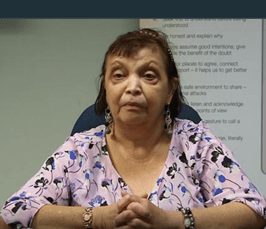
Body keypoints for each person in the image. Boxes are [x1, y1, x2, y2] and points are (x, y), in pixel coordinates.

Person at [1, 28, 266, 229]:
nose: (132, 87)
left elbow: (253, 211)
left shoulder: (196, 142)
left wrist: (169, 221)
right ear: (106, 86)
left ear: (170, 90)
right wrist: (99, 219)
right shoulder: (80, 150)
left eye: (148, 75)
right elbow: (12, 213)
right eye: (119, 75)